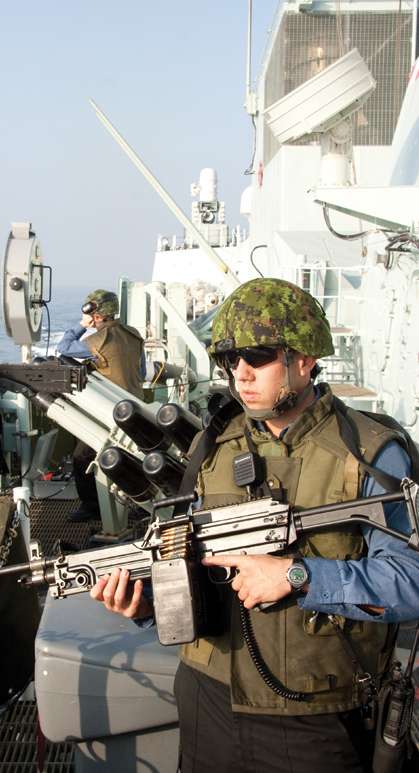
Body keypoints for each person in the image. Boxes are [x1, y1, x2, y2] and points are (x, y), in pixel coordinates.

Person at [90, 278, 419, 772]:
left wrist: (296, 576)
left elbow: (410, 581)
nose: (240, 374)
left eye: (258, 356)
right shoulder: (213, 446)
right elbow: (193, 563)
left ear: (304, 360)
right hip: (207, 700)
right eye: (229, 361)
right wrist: (143, 600)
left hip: (313, 716)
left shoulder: (369, 454)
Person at [57, 289, 145, 520]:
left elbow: (64, 347)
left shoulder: (98, 341)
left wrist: (82, 324)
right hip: (136, 409)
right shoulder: (133, 335)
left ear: (95, 314)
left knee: (81, 457)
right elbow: (142, 372)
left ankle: (91, 507)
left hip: (110, 411)